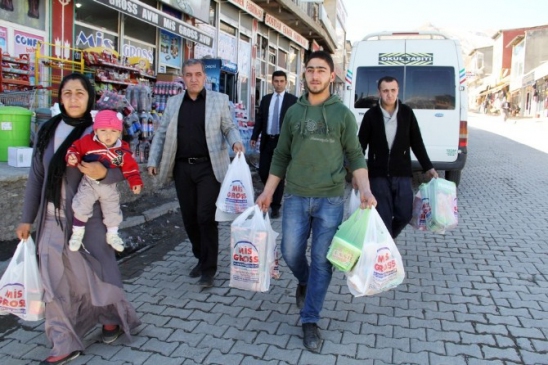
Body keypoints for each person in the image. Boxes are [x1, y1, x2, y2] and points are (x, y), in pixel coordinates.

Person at [256, 51, 377, 353]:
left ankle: (310, 318)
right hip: (295, 195)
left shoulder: (342, 115)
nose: (314, 75)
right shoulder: (294, 113)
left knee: (324, 260)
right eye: (309, 70)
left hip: (331, 199)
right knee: (290, 251)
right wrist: (268, 191)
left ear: (331, 75)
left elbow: (355, 155)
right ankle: (305, 281)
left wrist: (365, 188)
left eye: (321, 70)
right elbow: (281, 155)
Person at [16, 73, 140, 365]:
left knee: (100, 271)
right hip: (50, 218)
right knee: (53, 280)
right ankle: (63, 340)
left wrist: (104, 173)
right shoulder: (47, 129)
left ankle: (110, 315)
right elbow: (36, 177)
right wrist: (26, 219)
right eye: (67, 93)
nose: (73, 98)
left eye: (79, 93)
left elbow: (124, 165)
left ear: (90, 98)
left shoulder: (98, 132)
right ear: (60, 97)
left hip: (89, 218)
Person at [148, 59, 244, 288]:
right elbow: (161, 134)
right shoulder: (173, 103)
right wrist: (153, 159)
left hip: (209, 167)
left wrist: (236, 143)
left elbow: (229, 127)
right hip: (182, 168)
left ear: (204, 77)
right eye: (189, 75)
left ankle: (209, 270)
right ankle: (201, 257)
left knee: (205, 216)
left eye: (198, 74)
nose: (193, 79)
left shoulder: (218, 101)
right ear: (183, 78)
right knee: (190, 218)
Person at [358, 76, 438, 239]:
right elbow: (360, 145)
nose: (390, 94)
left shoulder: (407, 113)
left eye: (393, 90)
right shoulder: (371, 115)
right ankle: (385, 253)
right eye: (385, 91)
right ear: (379, 92)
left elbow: (417, 142)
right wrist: (356, 172)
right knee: (384, 217)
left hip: (402, 173)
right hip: (378, 175)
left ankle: (386, 239)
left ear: (398, 91)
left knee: (405, 214)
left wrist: (428, 167)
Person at [66, 109, 143, 253]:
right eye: (103, 130)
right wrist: (72, 158)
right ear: (96, 131)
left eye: (113, 131)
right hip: (89, 182)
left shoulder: (121, 150)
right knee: (82, 204)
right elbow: (74, 149)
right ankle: (77, 232)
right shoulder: (87, 142)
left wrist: (135, 181)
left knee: (112, 208)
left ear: (119, 132)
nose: (108, 135)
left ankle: (112, 234)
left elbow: (130, 167)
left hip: (109, 185)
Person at [250, 70, 298, 218]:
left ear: (286, 83)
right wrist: (254, 136)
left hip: (282, 142)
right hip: (267, 140)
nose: (278, 84)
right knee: (263, 171)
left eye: (281, 81)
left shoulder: (293, 100)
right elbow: (260, 119)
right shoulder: (266, 99)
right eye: (276, 81)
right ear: (272, 82)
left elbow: (296, 122)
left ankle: (275, 206)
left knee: (279, 174)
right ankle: (270, 191)